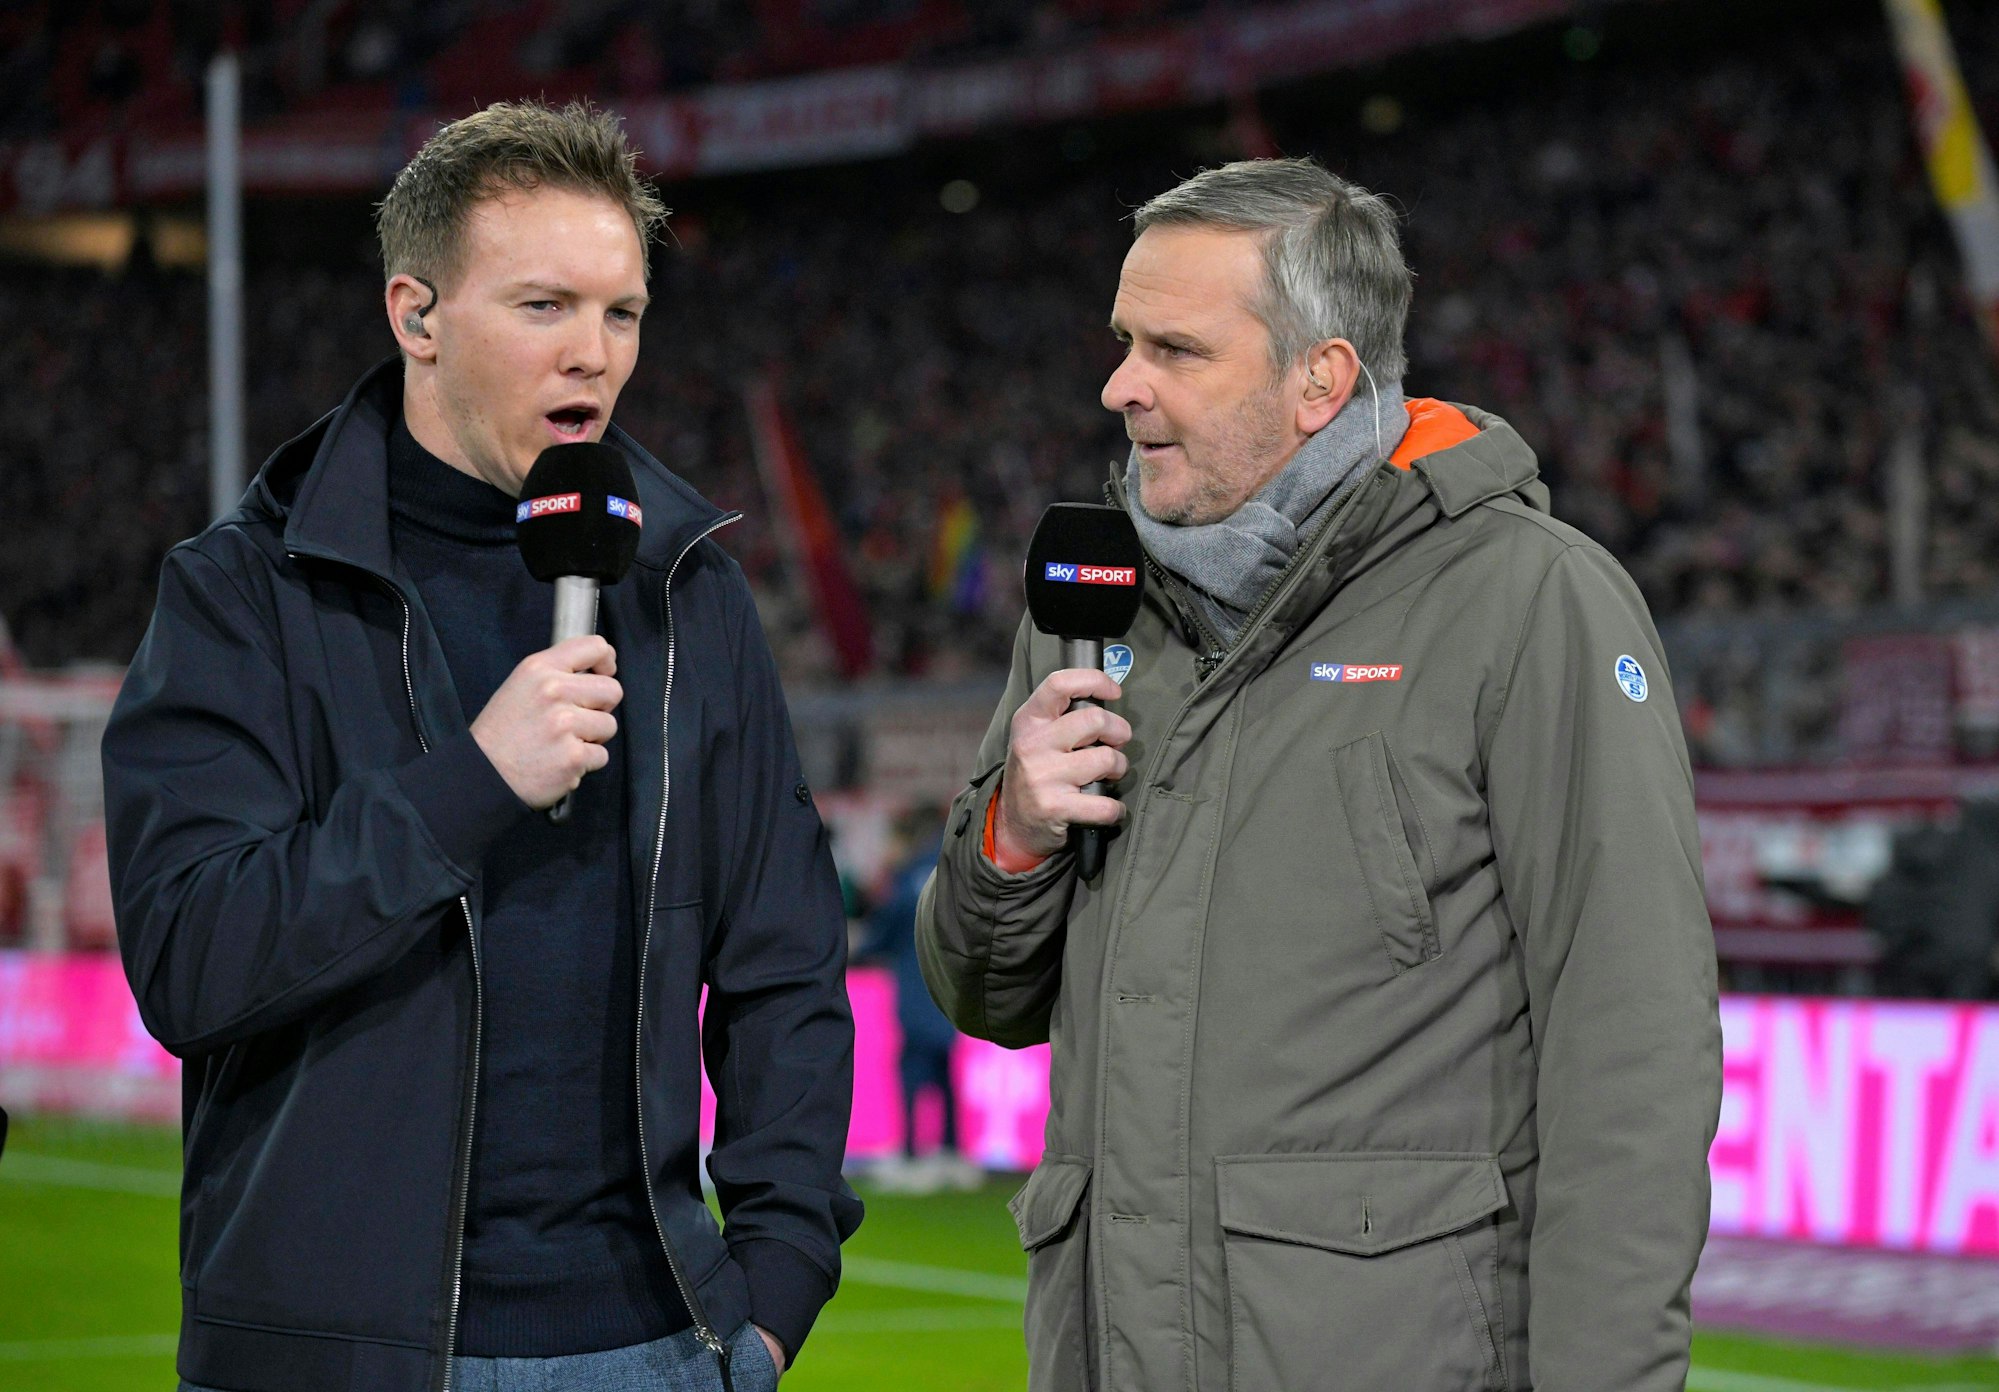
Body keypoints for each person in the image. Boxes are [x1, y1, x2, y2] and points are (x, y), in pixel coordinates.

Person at [917, 157, 1722, 1391]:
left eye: (1175, 351)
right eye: (1124, 341)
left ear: (1320, 380)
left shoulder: (1527, 600)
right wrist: (1010, 840)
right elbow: (983, 998)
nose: (1118, 386)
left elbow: (1631, 1054)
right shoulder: (1086, 613)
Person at [103, 101, 860, 1392]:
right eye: (543, 308)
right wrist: (468, 785)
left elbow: (782, 966)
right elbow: (190, 962)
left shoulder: (687, 592)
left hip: (657, 1348)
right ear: (416, 316)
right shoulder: (245, 591)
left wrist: (776, 1284)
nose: (594, 356)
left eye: (620, 312)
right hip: (343, 1361)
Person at [858, 803, 982, 1193]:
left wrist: (852, 950)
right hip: (953, 988)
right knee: (944, 1071)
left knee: (912, 1071)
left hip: (917, 987)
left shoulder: (909, 873)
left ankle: (913, 1156)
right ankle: (951, 1152)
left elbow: (886, 930)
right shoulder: (955, 868)